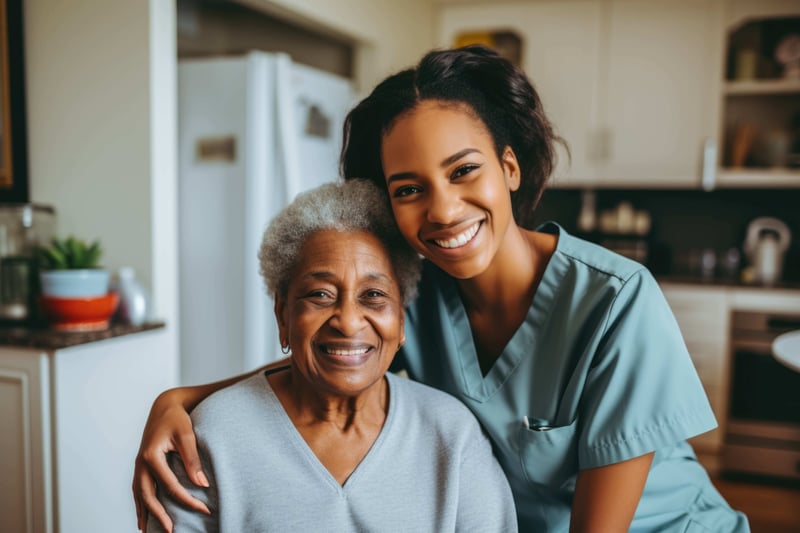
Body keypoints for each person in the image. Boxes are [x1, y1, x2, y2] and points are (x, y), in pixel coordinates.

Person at [135, 45, 749, 532]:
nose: (444, 210)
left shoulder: (613, 302)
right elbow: (340, 350)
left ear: (509, 167)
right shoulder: (417, 294)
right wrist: (184, 398)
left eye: (464, 171)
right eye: (409, 188)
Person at [145, 179, 517, 532]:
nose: (349, 322)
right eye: (320, 294)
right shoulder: (212, 436)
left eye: (373, 295)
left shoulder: (451, 434)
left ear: (401, 320)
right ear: (283, 316)